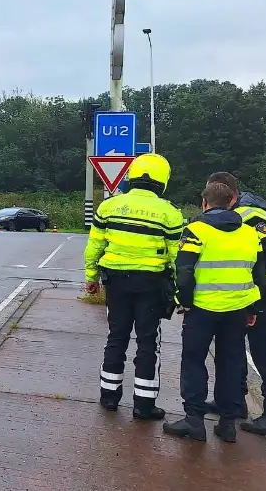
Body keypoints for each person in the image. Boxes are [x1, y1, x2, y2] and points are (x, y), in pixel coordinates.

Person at [162, 181, 266, 443]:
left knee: (194, 362)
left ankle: (194, 421)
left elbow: (184, 271)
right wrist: (251, 307)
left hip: (202, 308)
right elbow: (258, 275)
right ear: (233, 201)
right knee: (231, 363)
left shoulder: (196, 231)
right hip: (236, 310)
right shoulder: (249, 233)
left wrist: (184, 302)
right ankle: (228, 423)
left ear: (204, 203)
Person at [85, 153, 185, 420]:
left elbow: (95, 245)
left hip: (116, 282)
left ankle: (108, 397)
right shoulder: (171, 213)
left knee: (116, 337)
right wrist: (179, 291)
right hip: (151, 285)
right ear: (162, 180)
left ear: (133, 176)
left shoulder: (109, 207)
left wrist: (91, 276)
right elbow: (177, 257)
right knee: (148, 342)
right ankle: (143, 404)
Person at [206, 172, 266, 434]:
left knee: (263, 350)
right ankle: (234, 402)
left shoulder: (252, 216)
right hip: (244, 290)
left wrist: (251, 282)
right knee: (232, 345)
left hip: (265, 289)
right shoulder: (236, 215)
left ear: (230, 195)